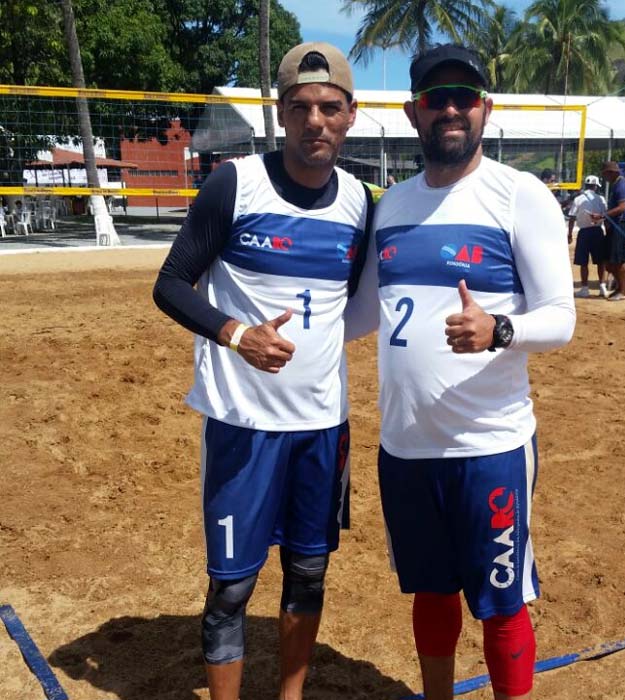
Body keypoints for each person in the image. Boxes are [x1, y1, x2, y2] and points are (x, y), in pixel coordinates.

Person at [346, 43, 575, 700]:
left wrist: (499, 329)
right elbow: (364, 312)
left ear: (485, 109)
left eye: (464, 97)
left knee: (501, 604)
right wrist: (273, 331)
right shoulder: (390, 206)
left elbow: (561, 318)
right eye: (435, 98)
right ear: (412, 112)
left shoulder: (519, 196)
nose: (450, 109)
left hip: (489, 447)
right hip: (405, 448)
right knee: (431, 592)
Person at [153, 42, 372, 700]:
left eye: (329, 108)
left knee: (308, 572)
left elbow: (347, 306)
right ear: (280, 113)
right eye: (300, 107)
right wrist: (237, 335)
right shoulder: (235, 183)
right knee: (232, 586)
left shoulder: (359, 201)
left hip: (322, 428)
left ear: (350, 114)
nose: (315, 121)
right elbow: (170, 284)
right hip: (242, 427)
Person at [592, 160, 625, 301]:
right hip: (615, 225)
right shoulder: (617, 184)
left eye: (604, 174)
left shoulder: (621, 185)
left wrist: (603, 215)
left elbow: (622, 207)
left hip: (621, 226)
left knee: (618, 260)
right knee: (609, 262)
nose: (604, 177)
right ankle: (620, 288)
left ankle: (622, 291)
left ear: (611, 173)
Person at [568, 175, 608, 297]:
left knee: (583, 262)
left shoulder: (578, 199)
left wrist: (569, 233)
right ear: (595, 186)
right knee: (600, 261)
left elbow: (572, 217)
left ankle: (585, 288)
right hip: (597, 231)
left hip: (584, 232)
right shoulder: (601, 199)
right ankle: (602, 286)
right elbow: (606, 216)